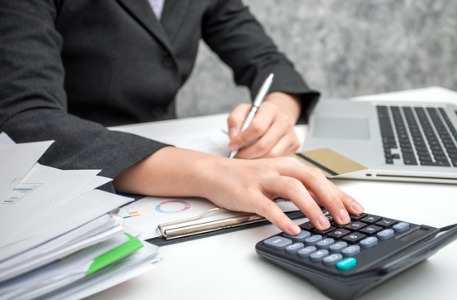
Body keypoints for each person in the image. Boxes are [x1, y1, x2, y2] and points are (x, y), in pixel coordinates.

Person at [0, 0, 364, 235]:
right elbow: (26, 119)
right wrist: (210, 172)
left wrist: (279, 113)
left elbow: (268, 63)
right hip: (66, 184)